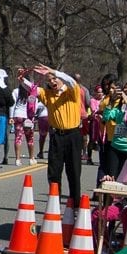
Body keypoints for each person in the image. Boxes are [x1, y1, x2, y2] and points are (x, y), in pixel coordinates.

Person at [31, 64, 84, 206]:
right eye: (49, 80)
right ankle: (54, 204)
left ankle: (76, 205)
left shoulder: (72, 91)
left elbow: (71, 81)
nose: (52, 82)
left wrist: (53, 71)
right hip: (56, 136)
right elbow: (32, 89)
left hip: (73, 135)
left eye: (54, 79)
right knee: (54, 172)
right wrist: (22, 77)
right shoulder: (48, 95)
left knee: (73, 172)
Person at [99, 80, 127, 182]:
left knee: (126, 180)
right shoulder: (121, 107)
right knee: (111, 179)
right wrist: (111, 102)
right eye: (125, 87)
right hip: (115, 147)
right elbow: (106, 117)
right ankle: (110, 198)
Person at [9, 68, 37, 166]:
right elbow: (35, 105)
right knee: (30, 138)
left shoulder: (16, 91)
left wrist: (11, 116)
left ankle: (17, 159)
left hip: (18, 115)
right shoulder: (32, 93)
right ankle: (31, 158)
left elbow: (12, 105)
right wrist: (34, 116)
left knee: (18, 137)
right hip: (28, 116)